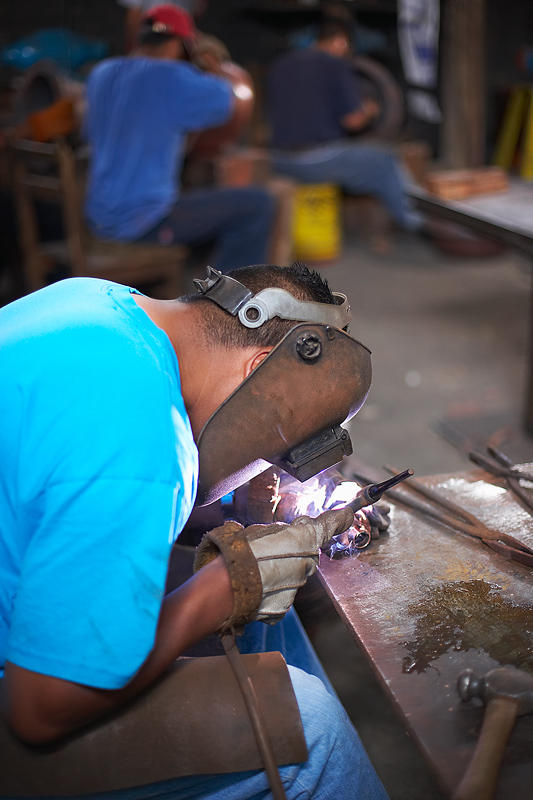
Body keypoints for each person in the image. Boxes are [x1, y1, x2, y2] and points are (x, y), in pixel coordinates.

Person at [0, 263, 389, 800]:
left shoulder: (97, 305)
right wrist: (222, 590)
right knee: (308, 724)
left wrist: (233, 507)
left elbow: (69, 491)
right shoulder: (146, 443)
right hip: (25, 702)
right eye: (272, 452)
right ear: (259, 370)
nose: (265, 467)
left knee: (268, 619)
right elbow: (39, 710)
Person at [84, 4, 274, 273]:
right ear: (178, 45)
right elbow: (227, 100)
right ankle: (229, 305)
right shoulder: (173, 76)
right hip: (143, 223)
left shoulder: (101, 73)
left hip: (98, 218)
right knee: (258, 204)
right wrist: (208, 63)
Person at [267, 19, 422, 236]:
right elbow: (353, 121)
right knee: (385, 161)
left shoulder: (281, 64)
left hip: (279, 159)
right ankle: (418, 223)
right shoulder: (336, 64)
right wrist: (370, 110)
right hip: (315, 162)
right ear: (340, 42)